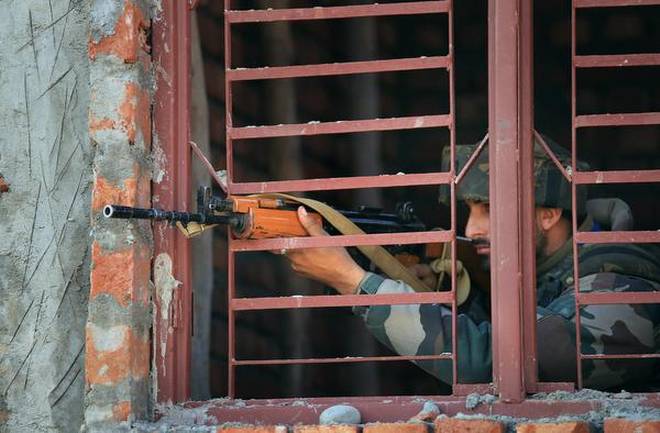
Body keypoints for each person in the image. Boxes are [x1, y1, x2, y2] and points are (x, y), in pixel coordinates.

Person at [283, 136, 660, 389]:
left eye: (489, 209)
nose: (470, 228)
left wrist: (355, 281)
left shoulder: (618, 285)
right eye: (469, 210)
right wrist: (457, 299)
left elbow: (501, 365)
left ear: (548, 215)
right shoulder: (551, 273)